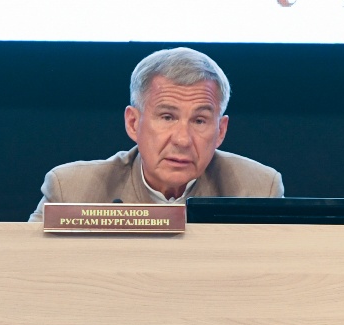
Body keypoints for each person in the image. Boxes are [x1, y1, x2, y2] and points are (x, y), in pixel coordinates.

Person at [28, 47, 282, 221]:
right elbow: (27, 270)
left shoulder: (257, 190)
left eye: (199, 120)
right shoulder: (71, 192)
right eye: (167, 117)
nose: (182, 140)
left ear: (220, 132)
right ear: (133, 123)